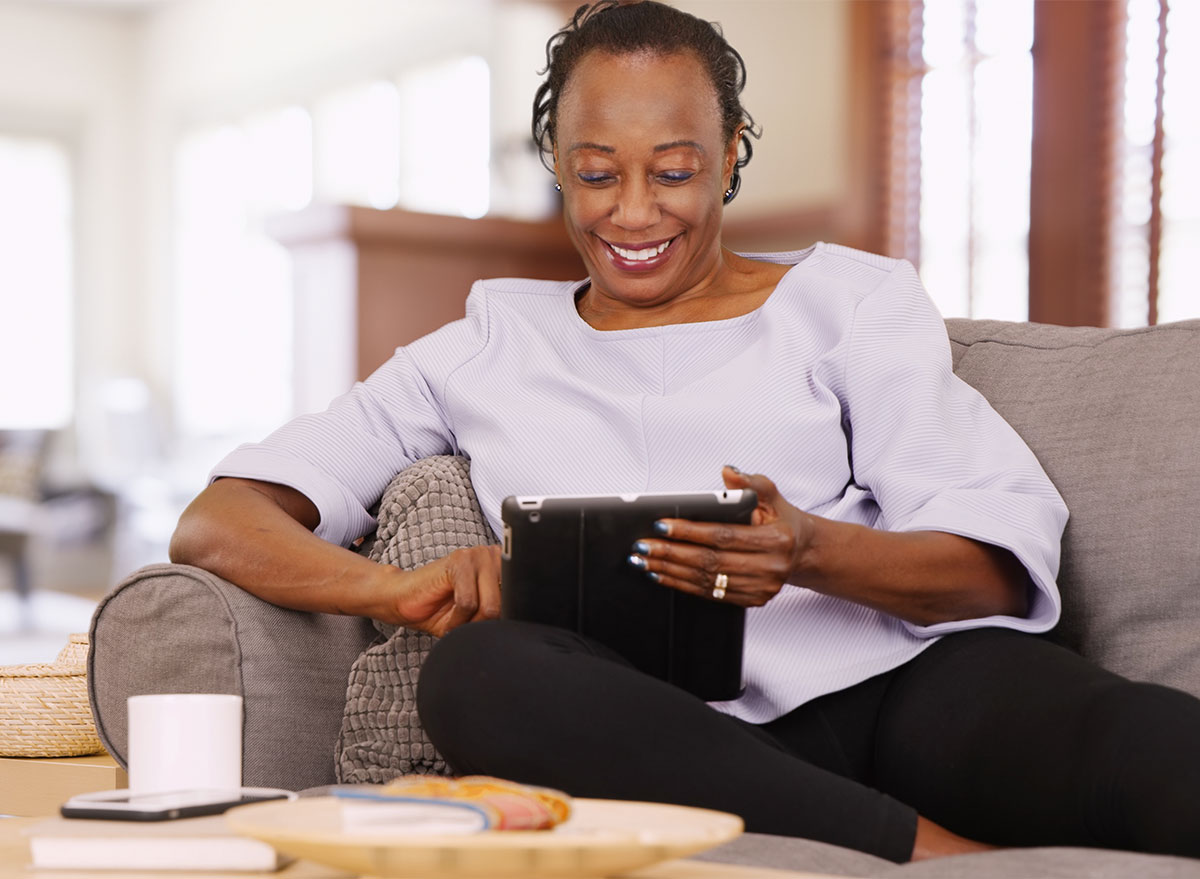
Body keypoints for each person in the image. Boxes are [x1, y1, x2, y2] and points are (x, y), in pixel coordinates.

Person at [170, 0, 1200, 863]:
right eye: (596, 172)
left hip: (895, 691)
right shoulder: (484, 340)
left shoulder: (849, 301)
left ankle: (841, 826)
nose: (631, 214)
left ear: (729, 155)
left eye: (671, 171)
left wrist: (812, 551)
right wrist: (399, 591)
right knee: (479, 674)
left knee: (1147, 750)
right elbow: (221, 523)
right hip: (644, 729)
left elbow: (992, 568)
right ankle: (934, 858)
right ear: (557, 167)